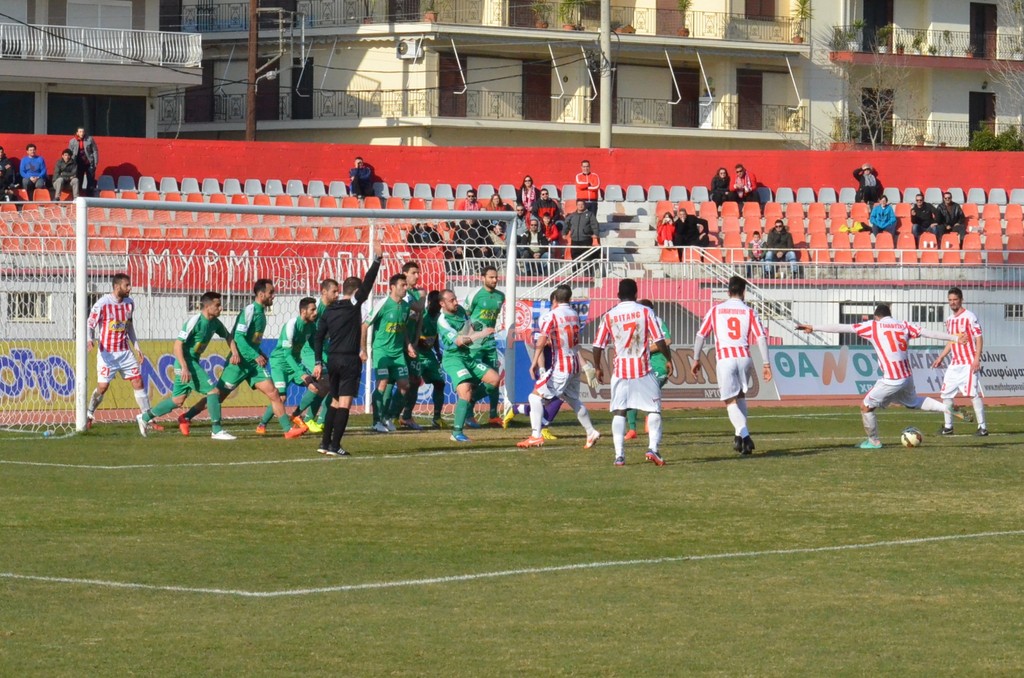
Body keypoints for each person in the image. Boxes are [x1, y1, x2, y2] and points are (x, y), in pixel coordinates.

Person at [796, 304, 969, 449]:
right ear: (889, 315)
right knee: (914, 401)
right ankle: (947, 408)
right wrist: (955, 338)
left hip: (892, 378)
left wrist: (814, 327)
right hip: (906, 375)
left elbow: (842, 327)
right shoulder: (904, 325)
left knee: (866, 406)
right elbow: (928, 332)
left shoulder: (873, 326)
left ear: (876, 317)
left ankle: (874, 441)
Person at [179, 279, 305, 440]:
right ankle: (186, 417)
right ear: (261, 294)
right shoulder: (250, 311)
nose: (274, 296)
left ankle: (288, 430)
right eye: (271, 292)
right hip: (238, 364)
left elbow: (252, 340)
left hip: (253, 365)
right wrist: (254, 355)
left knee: (274, 393)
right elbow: (238, 337)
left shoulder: (262, 313)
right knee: (218, 397)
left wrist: (259, 352)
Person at [592, 278, 674, 467]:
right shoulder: (645, 311)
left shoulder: (609, 315)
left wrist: (597, 367)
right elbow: (659, 340)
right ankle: (653, 448)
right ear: (636, 294)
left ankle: (619, 456)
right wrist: (668, 358)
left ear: (618, 295)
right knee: (654, 409)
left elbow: (597, 345)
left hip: (621, 371)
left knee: (619, 411)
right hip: (643, 369)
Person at [138, 292, 236, 439]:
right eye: (217, 305)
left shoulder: (215, 323)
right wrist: (184, 367)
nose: (221, 308)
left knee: (177, 400)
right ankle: (216, 430)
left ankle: (145, 417)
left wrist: (235, 352)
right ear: (207, 306)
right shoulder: (195, 322)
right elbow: (177, 345)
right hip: (186, 362)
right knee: (213, 392)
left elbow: (228, 336)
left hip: (192, 362)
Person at [312, 255, 384, 456]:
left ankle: (325, 443)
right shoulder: (353, 305)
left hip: (332, 359)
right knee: (344, 404)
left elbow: (318, 337)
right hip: (349, 360)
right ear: (356, 292)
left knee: (334, 402)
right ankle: (335, 446)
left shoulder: (328, 310)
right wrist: (377, 261)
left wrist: (318, 361)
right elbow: (368, 284)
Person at [692, 276, 771, 455]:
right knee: (740, 396)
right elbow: (761, 337)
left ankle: (746, 437)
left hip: (726, 358)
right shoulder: (749, 311)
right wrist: (766, 363)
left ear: (728, 292)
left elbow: (701, 335)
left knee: (729, 401)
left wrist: (696, 358)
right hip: (744, 357)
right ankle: (738, 437)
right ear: (744, 292)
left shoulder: (716, 310)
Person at [516, 284, 600, 450]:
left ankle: (536, 436)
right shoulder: (574, 315)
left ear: (554, 299)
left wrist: (534, 362)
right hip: (574, 365)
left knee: (534, 397)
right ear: (569, 298)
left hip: (561, 366)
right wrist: (584, 365)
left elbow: (542, 339)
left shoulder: (551, 316)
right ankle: (591, 432)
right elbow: (574, 343)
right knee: (573, 400)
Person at [85, 273, 152, 436]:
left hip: (125, 352)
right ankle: (89, 413)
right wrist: (89, 339)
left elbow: (129, 327)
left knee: (138, 381)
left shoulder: (129, 303)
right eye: (126, 285)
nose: (130, 288)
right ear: (116, 287)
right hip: (107, 354)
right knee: (103, 387)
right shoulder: (102, 303)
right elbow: (90, 323)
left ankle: (147, 418)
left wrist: (137, 347)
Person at [256, 297, 328, 436]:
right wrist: (301, 373)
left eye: (316, 310)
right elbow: (287, 355)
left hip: (295, 362)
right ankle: (262, 424)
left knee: (315, 387)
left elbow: (315, 346)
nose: (315, 313)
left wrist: (319, 363)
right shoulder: (291, 325)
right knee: (281, 397)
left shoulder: (311, 327)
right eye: (312, 310)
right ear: (303, 311)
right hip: (280, 363)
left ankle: (296, 415)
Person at [437, 289, 501, 443]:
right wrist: (482, 333)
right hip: (453, 359)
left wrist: (475, 328)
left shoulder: (460, 311)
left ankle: (469, 402)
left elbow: (468, 328)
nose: (455, 302)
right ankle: (456, 432)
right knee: (465, 390)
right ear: (442, 303)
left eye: (455, 299)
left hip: (468, 356)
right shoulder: (443, 321)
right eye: (451, 300)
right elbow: (459, 341)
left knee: (494, 380)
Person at [931, 287, 987, 436]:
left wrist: (976, 359)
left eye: (955, 299)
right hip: (954, 363)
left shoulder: (970, 316)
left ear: (961, 300)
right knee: (945, 395)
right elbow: (951, 341)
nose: (952, 302)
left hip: (969, 363)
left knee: (973, 394)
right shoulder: (949, 320)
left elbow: (979, 338)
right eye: (950, 300)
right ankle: (948, 427)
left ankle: (982, 428)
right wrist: (941, 357)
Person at [363, 273, 415, 433]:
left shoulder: (406, 307)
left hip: (398, 353)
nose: (405, 288)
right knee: (382, 383)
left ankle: (388, 416)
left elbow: (403, 328)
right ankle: (376, 421)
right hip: (382, 352)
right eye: (402, 285)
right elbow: (364, 326)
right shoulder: (383, 304)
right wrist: (363, 349)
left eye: (406, 285)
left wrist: (408, 345)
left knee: (405, 385)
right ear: (392, 287)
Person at [290, 279, 340, 433]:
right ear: (324, 292)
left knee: (334, 384)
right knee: (323, 382)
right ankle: (300, 415)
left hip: (324, 350)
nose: (337, 295)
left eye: (338, 291)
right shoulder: (316, 309)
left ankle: (317, 420)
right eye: (334, 291)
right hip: (310, 351)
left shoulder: (333, 308)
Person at [464, 265, 506, 426]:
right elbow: (465, 316)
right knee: (473, 380)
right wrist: (467, 338)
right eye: (491, 277)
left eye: (496, 277)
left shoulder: (500, 296)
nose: (495, 280)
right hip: (474, 344)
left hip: (490, 343)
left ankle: (493, 415)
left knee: (494, 379)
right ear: (483, 278)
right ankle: (468, 413)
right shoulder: (474, 295)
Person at [625, 299, 671, 441]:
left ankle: (649, 422)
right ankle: (632, 429)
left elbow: (667, 341)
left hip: (658, 366)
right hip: (641, 365)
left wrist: (646, 350)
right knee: (631, 394)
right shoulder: (636, 324)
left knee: (649, 394)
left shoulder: (657, 321)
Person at [408, 290, 448, 429]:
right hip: (417, 354)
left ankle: (437, 418)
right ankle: (402, 416)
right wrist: (419, 342)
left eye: (440, 303)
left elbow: (435, 335)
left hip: (429, 355)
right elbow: (412, 331)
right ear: (429, 302)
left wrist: (437, 351)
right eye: (436, 303)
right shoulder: (421, 315)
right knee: (411, 384)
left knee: (440, 383)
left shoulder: (439, 317)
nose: (439, 306)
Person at [398, 261, 427, 430]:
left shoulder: (417, 293)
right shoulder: (402, 294)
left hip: (412, 344)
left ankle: (407, 416)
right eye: (413, 273)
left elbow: (419, 318)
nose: (417, 276)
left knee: (415, 380)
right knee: (394, 381)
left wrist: (415, 341)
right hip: (398, 343)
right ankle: (388, 415)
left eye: (418, 273)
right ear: (405, 274)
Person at [68, 127, 99, 196]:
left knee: (90, 180)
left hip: (89, 162)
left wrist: (96, 162)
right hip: (78, 163)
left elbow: (95, 150)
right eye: (80, 132)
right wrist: (71, 163)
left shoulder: (89, 139)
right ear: (77, 133)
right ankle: (79, 196)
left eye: (83, 132)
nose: (82, 133)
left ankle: (90, 196)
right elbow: (69, 152)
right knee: (79, 179)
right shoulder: (72, 141)